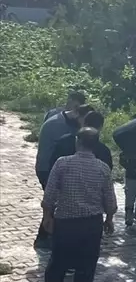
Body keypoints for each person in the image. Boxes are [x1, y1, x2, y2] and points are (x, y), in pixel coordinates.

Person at [36, 127, 117, 282]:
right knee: (87, 261)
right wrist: (109, 219)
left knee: (59, 259)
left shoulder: (62, 163)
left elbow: (49, 195)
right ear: (95, 145)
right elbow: (110, 200)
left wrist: (47, 216)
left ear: (77, 142)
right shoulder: (102, 168)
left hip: (66, 221)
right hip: (92, 223)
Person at [33, 101, 91, 249]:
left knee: (56, 202)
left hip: (50, 165)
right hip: (47, 168)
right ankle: (45, 237)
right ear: (77, 114)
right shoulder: (59, 126)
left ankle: (48, 236)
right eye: (84, 121)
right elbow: (68, 148)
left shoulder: (63, 119)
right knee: (55, 202)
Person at [48, 110, 113, 170]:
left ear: (84, 123)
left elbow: (52, 165)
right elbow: (107, 173)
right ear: (101, 127)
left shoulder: (64, 141)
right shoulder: (104, 152)